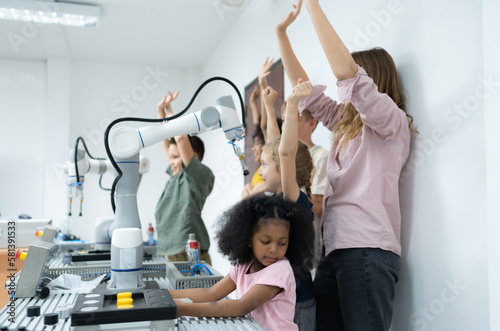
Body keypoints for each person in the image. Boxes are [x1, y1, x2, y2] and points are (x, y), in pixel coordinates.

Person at [276, 1, 418, 330]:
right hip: (334, 251)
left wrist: (311, 6)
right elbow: (305, 92)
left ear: (373, 79)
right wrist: (281, 34)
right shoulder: (344, 124)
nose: (344, 92)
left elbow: (345, 73)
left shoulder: (391, 124)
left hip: (367, 250)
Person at [168, 194, 314, 331]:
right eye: (265, 241)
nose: (274, 249)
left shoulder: (280, 270)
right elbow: (211, 293)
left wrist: (184, 308)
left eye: (282, 243)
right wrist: (166, 294)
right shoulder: (243, 265)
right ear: (249, 239)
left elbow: (241, 306)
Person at [261, 79, 316, 330]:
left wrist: (292, 104)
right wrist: (268, 105)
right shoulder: (281, 196)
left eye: (264, 166)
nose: (260, 172)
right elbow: (276, 146)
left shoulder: (294, 199)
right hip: (283, 297)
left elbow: (284, 153)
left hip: (298, 301)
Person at [155, 90, 215, 265]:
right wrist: (162, 111)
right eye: (171, 157)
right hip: (170, 255)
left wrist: (171, 113)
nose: (171, 161)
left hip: (191, 258)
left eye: (175, 157)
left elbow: (181, 138)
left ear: (193, 157)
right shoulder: (176, 177)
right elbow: (167, 142)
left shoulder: (198, 177)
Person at [242, 57, 278, 199]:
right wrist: (252, 104)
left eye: (258, 144)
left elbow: (264, 124)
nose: (254, 148)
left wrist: (263, 85)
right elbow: (258, 125)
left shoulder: (272, 162)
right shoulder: (259, 171)